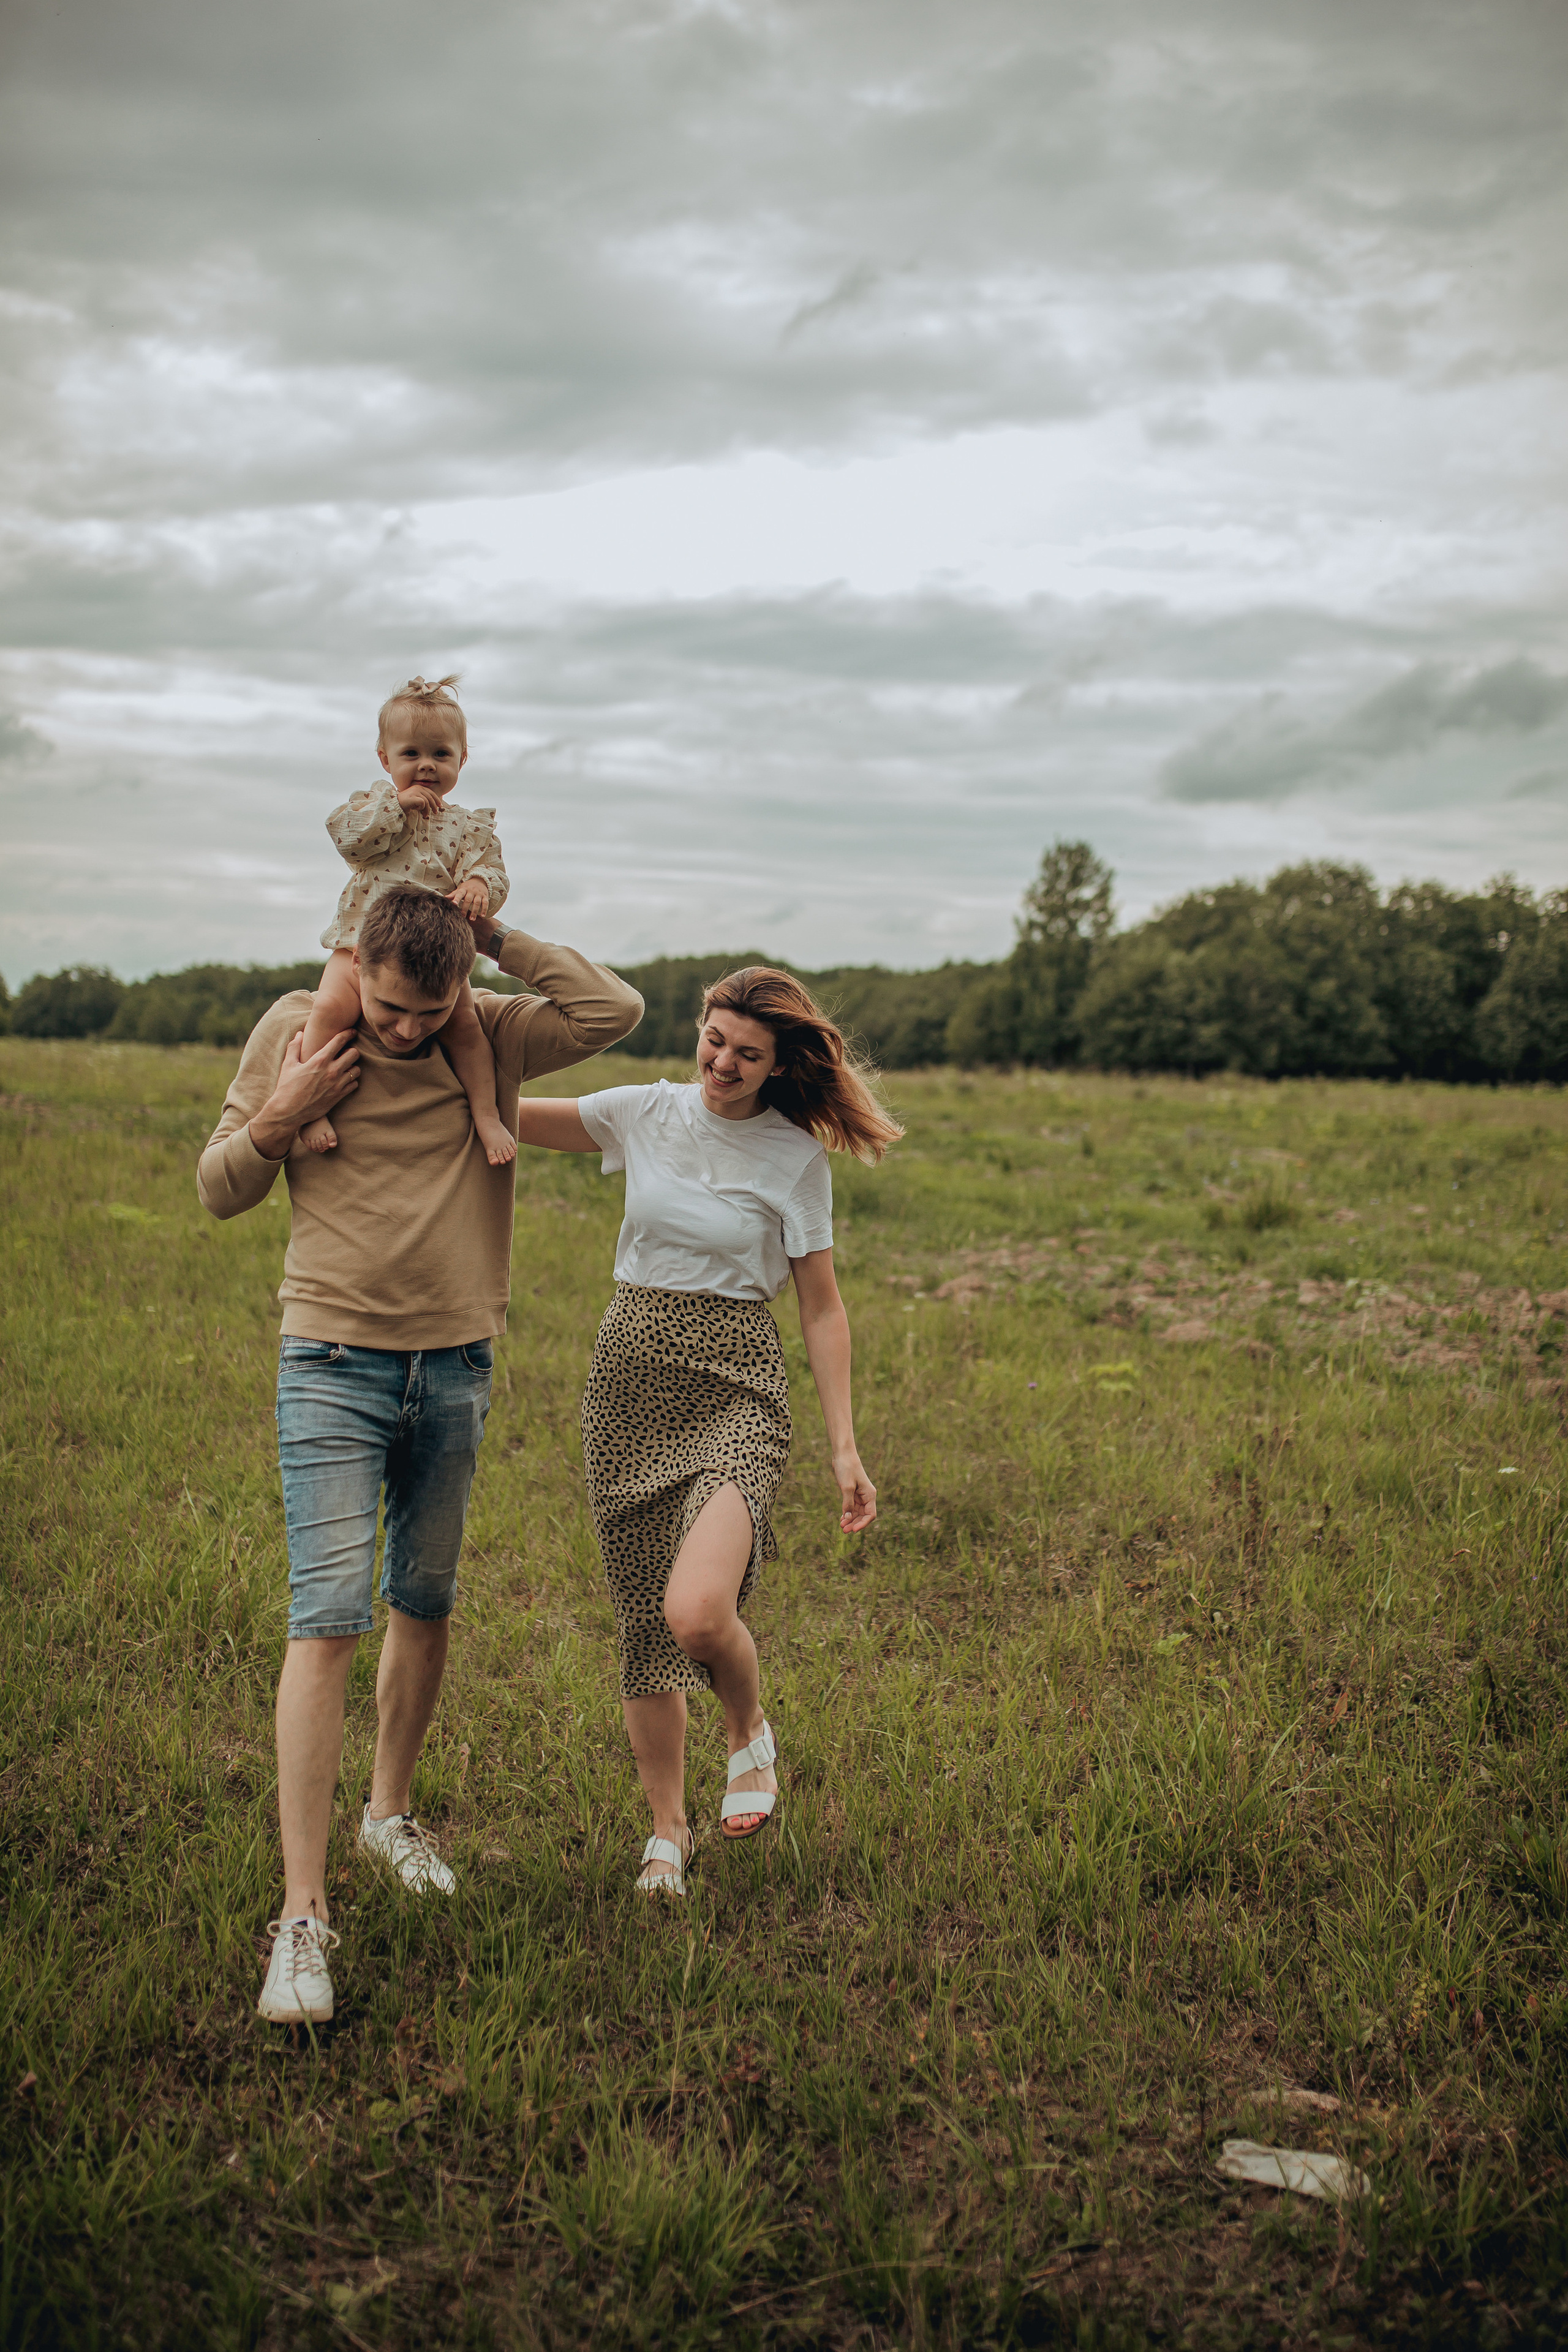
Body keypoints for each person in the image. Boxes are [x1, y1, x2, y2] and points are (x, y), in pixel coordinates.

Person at [197, 886, 643, 2021]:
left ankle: (388, 1815)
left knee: (425, 1600)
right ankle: (303, 1916)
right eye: (389, 1006)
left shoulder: (483, 1031)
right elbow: (218, 1190)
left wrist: (492, 940)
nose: (403, 1029)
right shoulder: (301, 1026)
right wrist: (283, 1111)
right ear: (358, 967)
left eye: (425, 1007)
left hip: (454, 1368)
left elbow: (612, 1010)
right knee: (327, 1619)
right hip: (331, 1365)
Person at [508, 965, 901, 1896]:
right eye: (714, 1041)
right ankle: (667, 1832)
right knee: (647, 1622)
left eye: (747, 1054)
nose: (722, 1063)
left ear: (780, 1065)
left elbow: (823, 1308)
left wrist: (845, 1446)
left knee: (695, 1611)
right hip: (629, 1383)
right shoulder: (643, 1111)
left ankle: (747, 1729)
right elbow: (513, 1114)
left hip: (734, 1386)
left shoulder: (795, 1158)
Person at [295, 674, 517, 1165]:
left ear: (462, 760)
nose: (426, 766)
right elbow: (347, 838)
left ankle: (485, 1113)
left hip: (437, 959)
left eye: (441, 754)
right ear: (384, 759)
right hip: (361, 947)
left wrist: (479, 886)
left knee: (465, 1027)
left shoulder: (467, 826)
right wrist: (395, 805)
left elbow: (493, 873)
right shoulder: (372, 807)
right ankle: (311, 1106)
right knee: (331, 1009)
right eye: (411, 754)